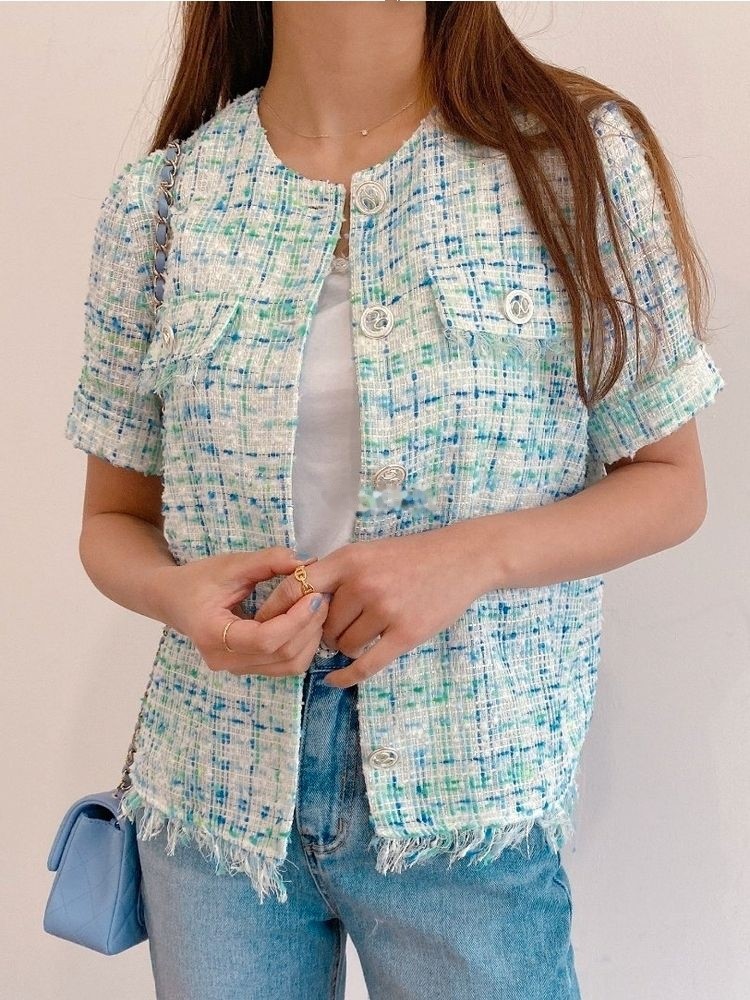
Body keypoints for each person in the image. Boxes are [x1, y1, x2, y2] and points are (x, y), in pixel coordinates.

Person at [63, 3, 726, 998]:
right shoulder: (162, 202)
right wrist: (179, 596)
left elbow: (672, 484)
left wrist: (469, 557)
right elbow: (110, 521)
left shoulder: (571, 163)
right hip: (213, 803)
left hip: (469, 806)